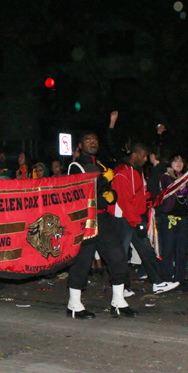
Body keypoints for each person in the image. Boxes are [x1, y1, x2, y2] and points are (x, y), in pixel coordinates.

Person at [66, 131, 135, 319]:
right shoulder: (76, 166)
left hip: (103, 220)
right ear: (80, 145)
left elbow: (107, 192)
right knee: (82, 261)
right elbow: (83, 190)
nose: (92, 143)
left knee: (118, 256)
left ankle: (118, 301)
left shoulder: (101, 165)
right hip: (86, 220)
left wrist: (111, 196)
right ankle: (74, 304)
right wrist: (104, 181)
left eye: (95, 140)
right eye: (88, 140)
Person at [111, 142, 177, 295]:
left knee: (147, 250)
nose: (146, 159)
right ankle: (122, 287)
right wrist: (137, 223)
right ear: (135, 154)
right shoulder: (121, 172)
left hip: (134, 218)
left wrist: (152, 200)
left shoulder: (136, 170)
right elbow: (124, 201)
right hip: (124, 219)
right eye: (144, 155)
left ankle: (158, 282)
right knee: (122, 254)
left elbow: (140, 193)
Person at [152, 153, 188, 292]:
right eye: (176, 160)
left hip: (183, 218)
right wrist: (171, 173)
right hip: (169, 217)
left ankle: (179, 280)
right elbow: (169, 188)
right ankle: (167, 279)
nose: (179, 163)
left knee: (181, 251)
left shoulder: (185, 177)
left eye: (181, 160)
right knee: (168, 249)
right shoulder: (165, 177)